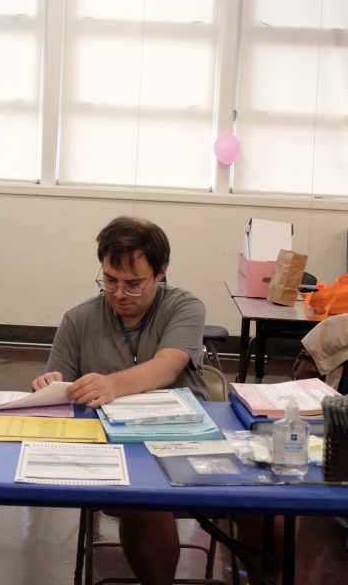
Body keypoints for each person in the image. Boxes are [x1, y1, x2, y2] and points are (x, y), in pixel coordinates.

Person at [32, 215, 207, 585]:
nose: (119, 294)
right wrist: (49, 386)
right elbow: (56, 388)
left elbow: (166, 366)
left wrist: (111, 385)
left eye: (133, 284)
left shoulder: (184, 307)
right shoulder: (78, 320)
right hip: (109, 452)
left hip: (183, 444)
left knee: (263, 505)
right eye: (110, 280)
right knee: (145, 498)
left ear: (161, 273)